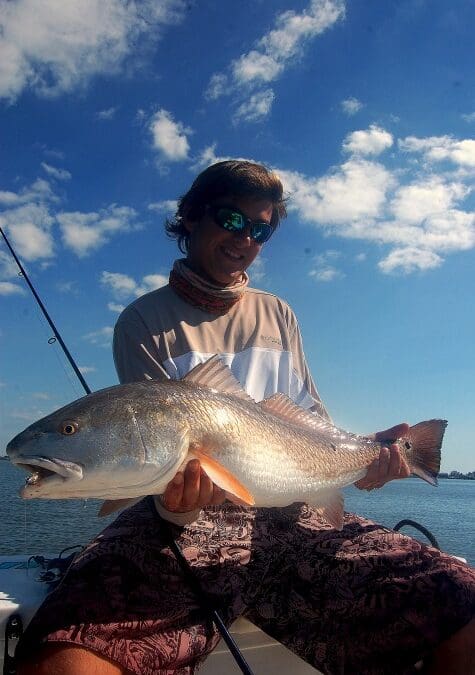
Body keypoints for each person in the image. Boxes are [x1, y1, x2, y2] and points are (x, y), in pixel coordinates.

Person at [17, 160, 475, 675]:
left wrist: (367, 462)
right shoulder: (144, 321)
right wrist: (178, 504)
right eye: (231, 219)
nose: (246, 239)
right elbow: (151, 460)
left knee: (462, 596)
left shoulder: (279, 314)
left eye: (261, 229)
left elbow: (310, 422)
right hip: (187, 528)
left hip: (296, 516)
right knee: (63, 657)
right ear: (190, 217)